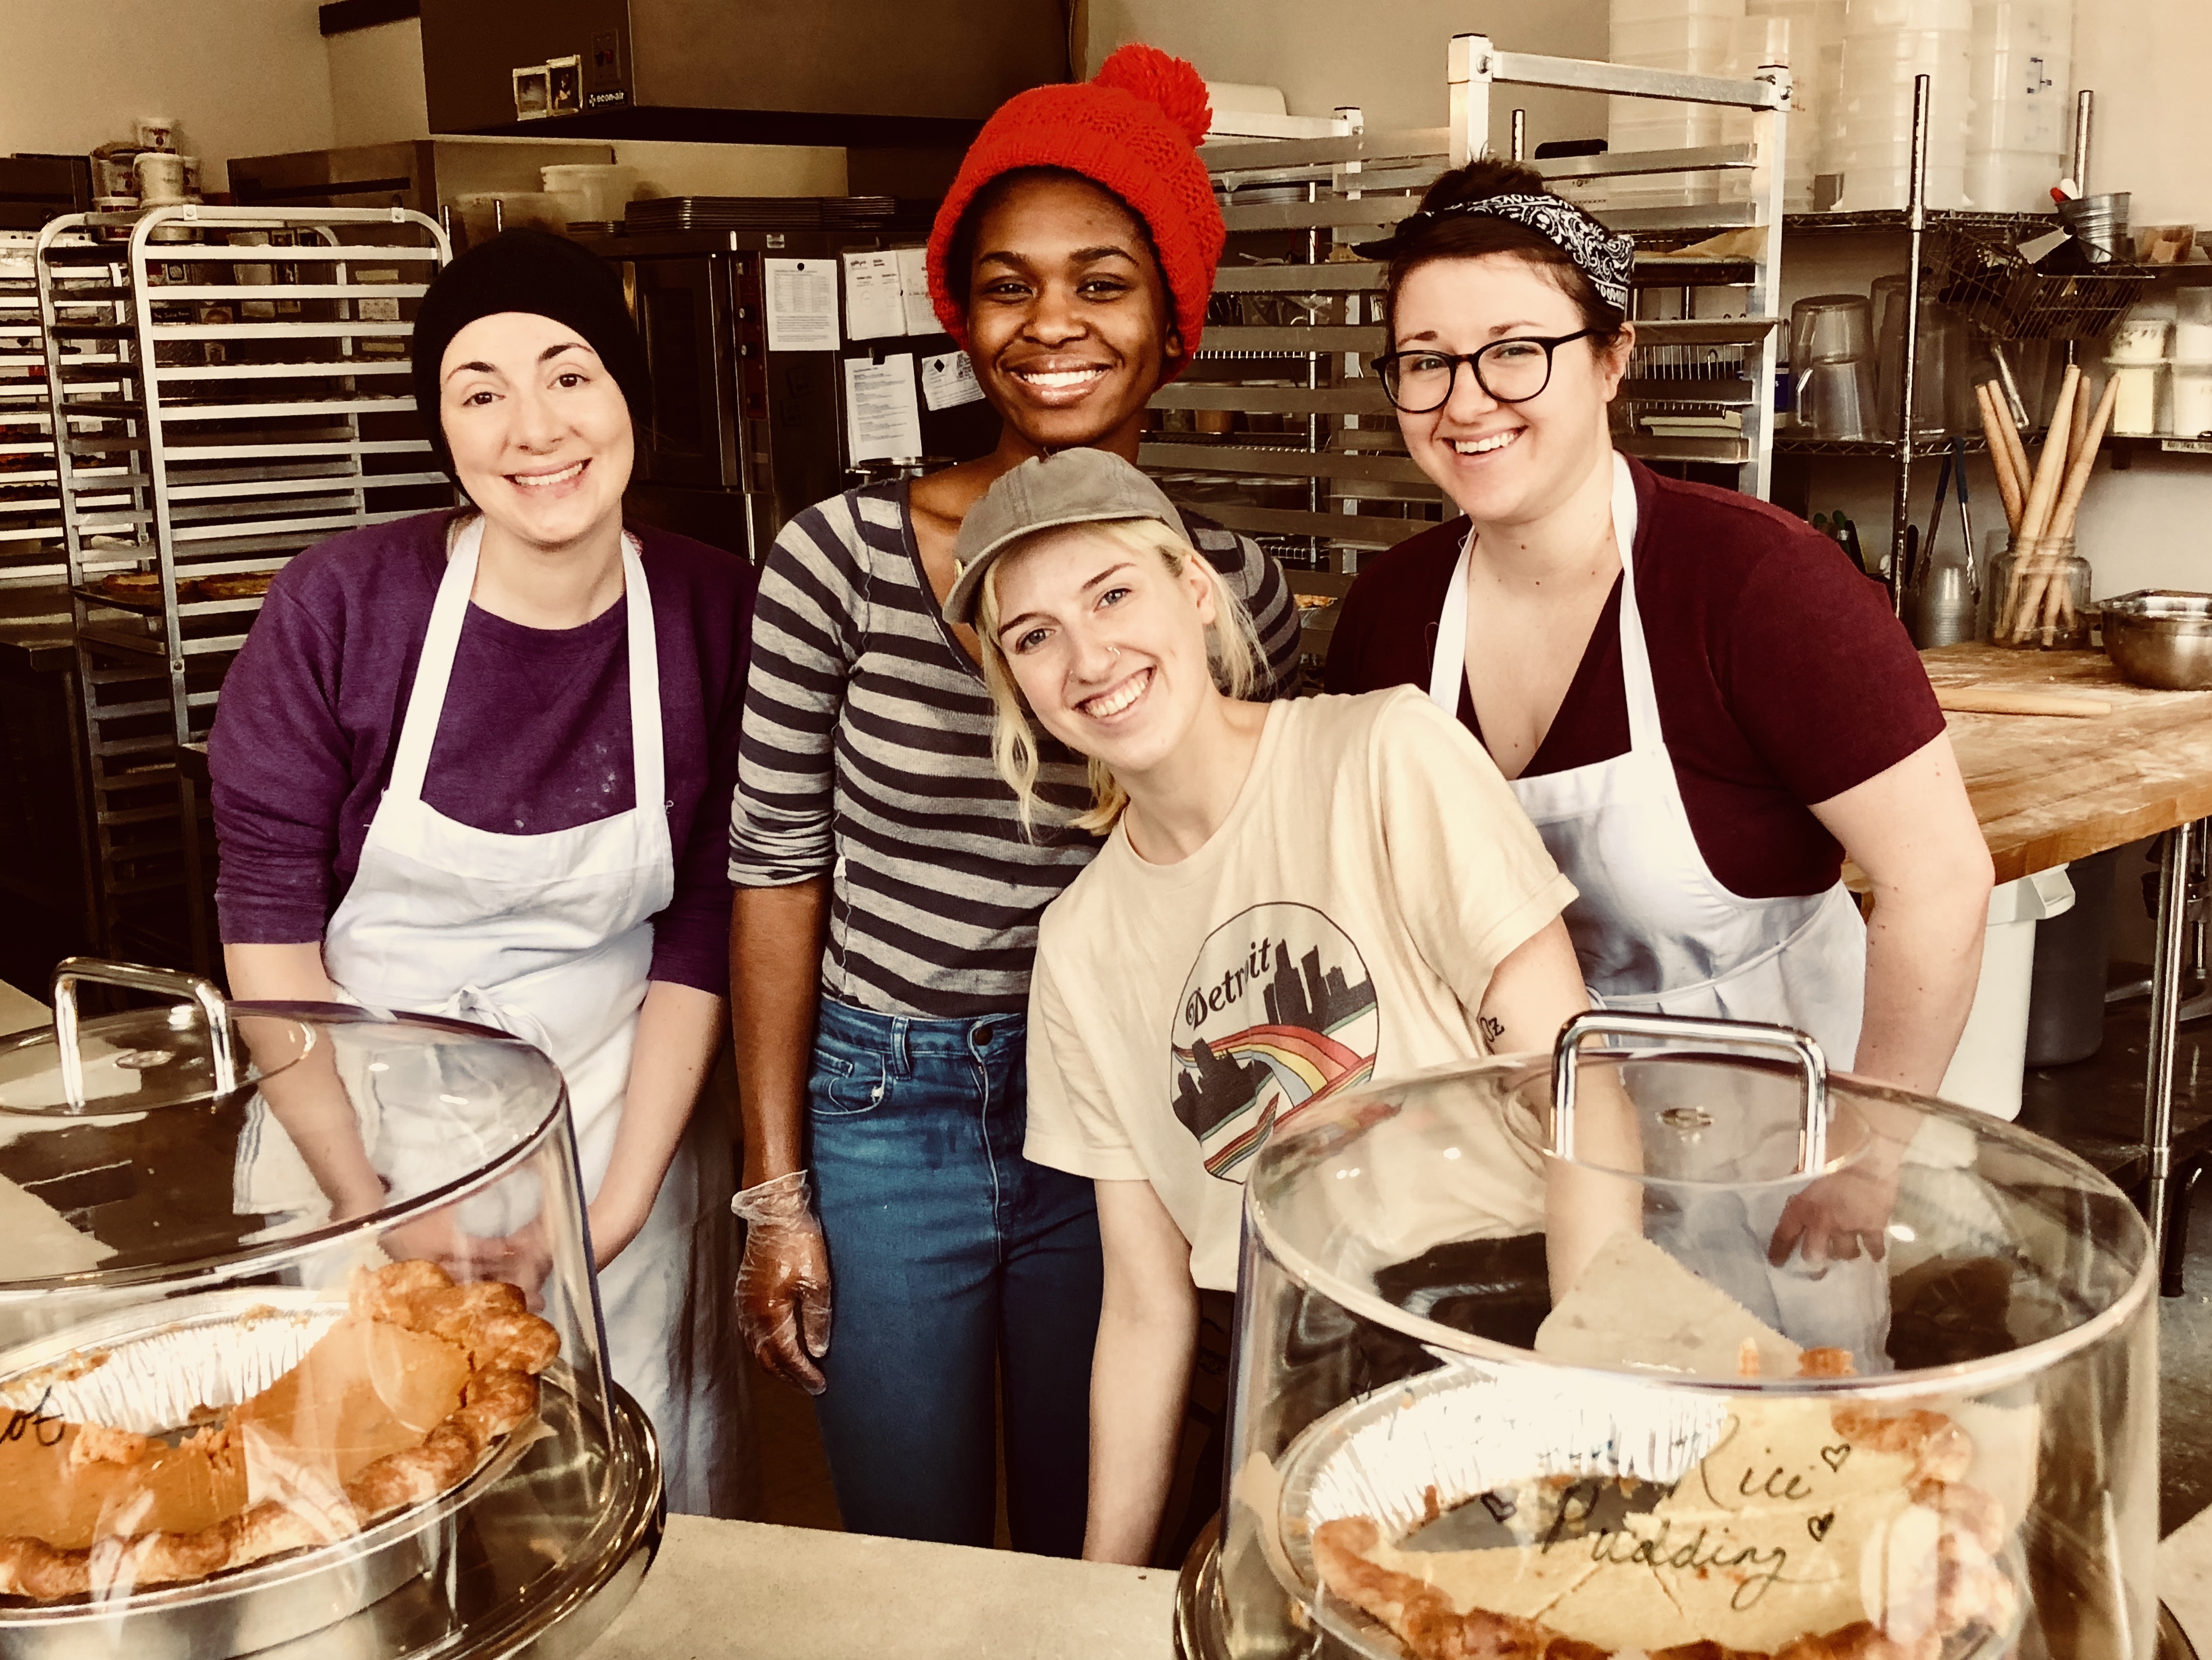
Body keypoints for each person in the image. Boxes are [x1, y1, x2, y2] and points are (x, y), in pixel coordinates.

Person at [726, 44, 1301, 1556]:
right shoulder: (837, 559)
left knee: (1088, 1527)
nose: (1051, 324)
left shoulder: (1231, 589)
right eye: (1007, 282)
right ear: (960, 312)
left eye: (1103, 281)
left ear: (1172, 321)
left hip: (1105, 1117)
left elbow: (1244, 875)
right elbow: (775, 867)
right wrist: (776, 1187)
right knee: (905, 1548)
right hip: (885, 1101)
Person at [945, 447, 1618, 1566]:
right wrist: (1100, 1583)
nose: (1088, 655)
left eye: (1112, 593)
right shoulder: (1078, 944)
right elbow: (1147, 1303)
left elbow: (1567, 1083)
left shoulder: (1378, 755)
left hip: (1503, 1309)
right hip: (1285, 1362)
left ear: (1194, 593)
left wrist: (1590, 1382)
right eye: (1034, 635)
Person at [1322, 159, 1995, 1275]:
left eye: (1514, 350)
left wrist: (1867, 1152)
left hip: (1768, 1170)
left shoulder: (1753, 585)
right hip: (1507, 1164)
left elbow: (1940, 876)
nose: (1465, 399)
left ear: (1610, 356)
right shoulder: (1390, 612)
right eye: (1424, 363)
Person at [208, 229, 753, 1517]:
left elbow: (703, 929)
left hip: (615, 1115)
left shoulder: (714, 608)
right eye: (479, 390)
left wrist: (602, 1214)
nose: (532, 427)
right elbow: (273, 936)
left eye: (568, 375)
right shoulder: (341, 606)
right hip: (355, 1109)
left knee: (624, 1490)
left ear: (627, 399)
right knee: (366, 1500)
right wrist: (370, 1206)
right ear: (443, 430)